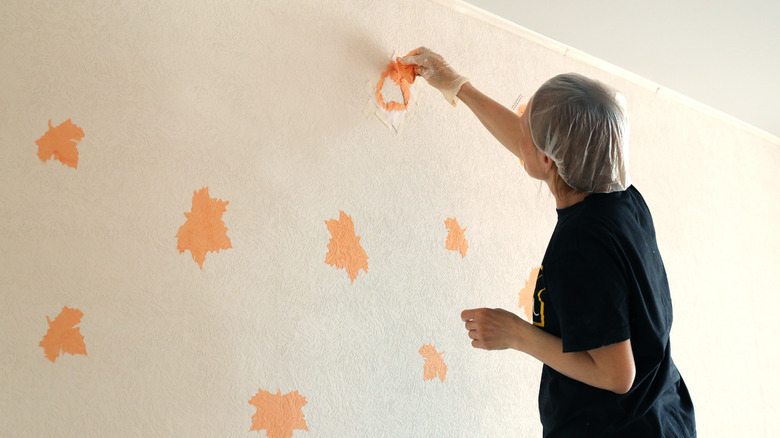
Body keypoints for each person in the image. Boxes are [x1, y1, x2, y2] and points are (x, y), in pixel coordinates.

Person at [400, 48, 696, 437]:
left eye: (528, 130)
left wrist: (516, 333)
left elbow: (617, 374)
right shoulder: (623, 197)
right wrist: (459, 87)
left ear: (548, 160)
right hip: (664, 417)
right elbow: (535, 148)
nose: (521, 130)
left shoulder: (580, 246)